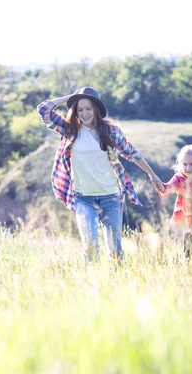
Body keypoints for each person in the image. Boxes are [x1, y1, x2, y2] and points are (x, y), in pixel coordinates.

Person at [36, 87, 163, 264]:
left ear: (96, 108)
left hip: (111, 198)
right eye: (80, 109)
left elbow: (131, 153)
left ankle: (116, 282)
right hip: (83, 198)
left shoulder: (111, 131)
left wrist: (152, 174)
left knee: (115, 249)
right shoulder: (70, 130)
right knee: (90, 246)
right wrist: (71, 97)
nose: (85, 113)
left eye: (88, 108)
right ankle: (91, 284)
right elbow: (44, 109)